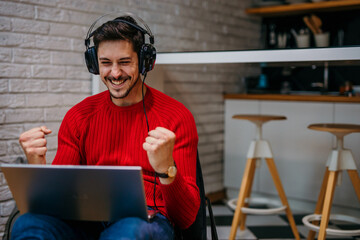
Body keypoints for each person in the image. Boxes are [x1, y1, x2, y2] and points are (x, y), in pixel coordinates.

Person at [12, 14, 200, 240]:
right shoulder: (79, 116)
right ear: (94, 63)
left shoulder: (176, 116)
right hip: (87, 219)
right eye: (105, 63)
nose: (115, 73)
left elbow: (186, 218)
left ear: (145, 61)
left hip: (146, 221)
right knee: (28, 223)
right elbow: (56, 204)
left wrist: (166, 169)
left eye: (124, 62)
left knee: (129, 231)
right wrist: (37, 166)